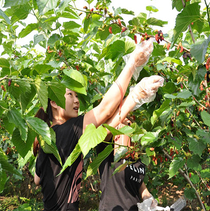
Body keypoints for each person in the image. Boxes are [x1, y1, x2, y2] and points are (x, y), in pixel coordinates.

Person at [33, 38, 156, 211]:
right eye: (70, 95)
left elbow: (37, 179)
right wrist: (132, 66)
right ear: (54, 102)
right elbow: (105, 109)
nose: (77, 101)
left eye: (77, 96)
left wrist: (134, 98)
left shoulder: (50, 137)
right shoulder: (65, 132)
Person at [96, 75, 164, 211]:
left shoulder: (136, 156)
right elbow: (106, 129)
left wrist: (147, 198)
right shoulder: (108, 150)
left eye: (128, 122)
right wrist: (136, 95)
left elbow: (138, 182)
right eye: (120, 123)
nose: (125, 124)